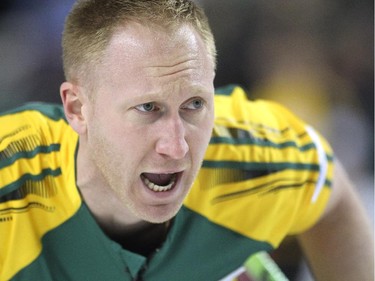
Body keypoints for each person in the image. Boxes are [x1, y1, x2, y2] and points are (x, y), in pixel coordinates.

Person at [0, 0, 373, 280]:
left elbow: (330, 192)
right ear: (78, 109)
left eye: (194, 104)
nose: (177, 146)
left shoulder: (252, 153)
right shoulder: (10, 179)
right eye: (148, 108)